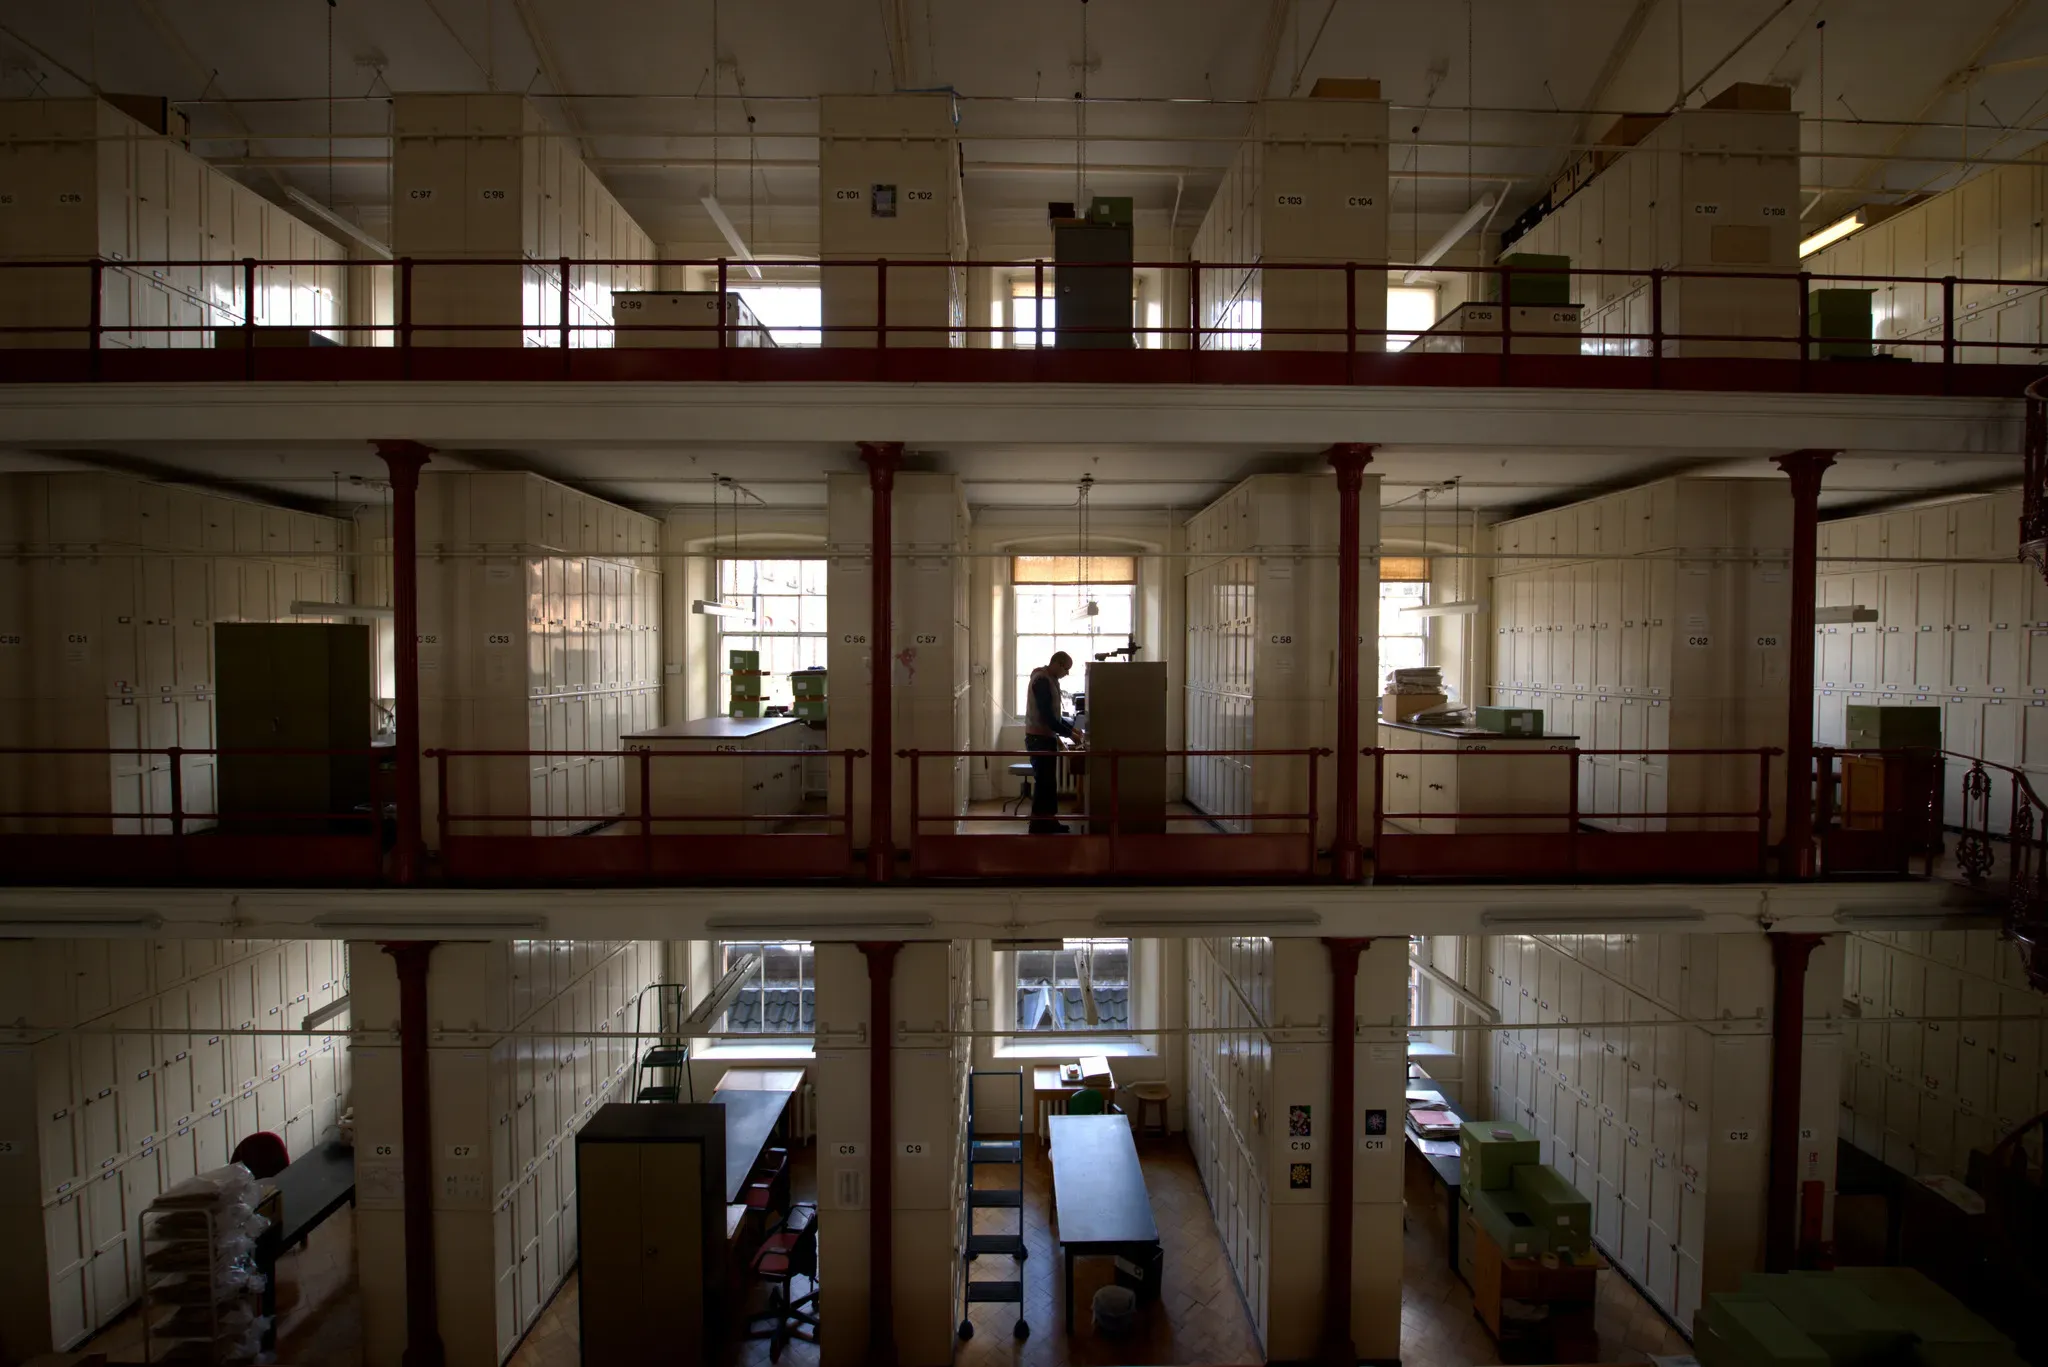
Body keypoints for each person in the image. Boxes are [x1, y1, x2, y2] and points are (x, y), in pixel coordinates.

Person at [1023, 650, 1076, 833]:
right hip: (1039, 738)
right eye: (1066, 669)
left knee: (1048, 782)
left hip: (1045, 737)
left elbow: (1054, 716)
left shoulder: (1050, 680)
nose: (1067, 673)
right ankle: (1038, 824)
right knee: (1044, 782)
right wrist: (1070, 734)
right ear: (1058, 663)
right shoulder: (1042, 681)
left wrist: (1071, 730)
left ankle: (1049, 821)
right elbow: (1047, 717)